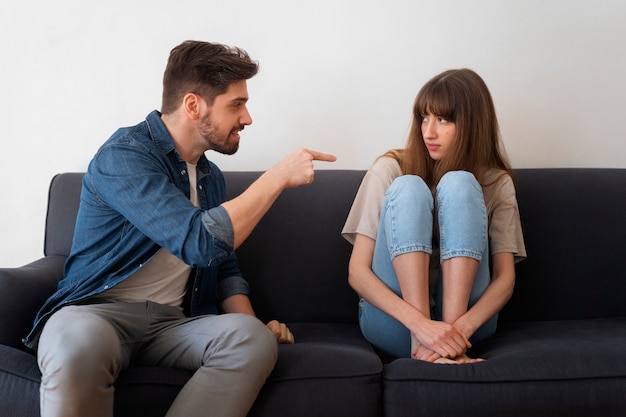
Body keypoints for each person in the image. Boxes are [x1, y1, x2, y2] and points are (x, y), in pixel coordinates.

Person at [24, 40, 336, 417]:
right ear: (193, 105)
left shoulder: (210, 178)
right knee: (76, 341)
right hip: (97, 313)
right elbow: (200, 241)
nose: (247, 118)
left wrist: (256, 325)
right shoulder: (124, 156)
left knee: (251, 339)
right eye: (236, 104)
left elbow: (223, 267)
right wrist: (276, 179)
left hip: (174, 324)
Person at [342, 68, 525, 364]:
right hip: (397, 325)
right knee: (409, 187)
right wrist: (422, 328)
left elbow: (505, 279)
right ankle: (430, 350)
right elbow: (357, 272)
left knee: (461, 183)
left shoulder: (496, 183)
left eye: (443, 119)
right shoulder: (390, 168)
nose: (429, 132)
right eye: (424, 118)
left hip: (468, 328)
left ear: (472, 124)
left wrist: (454, 335)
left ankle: (447, 353)